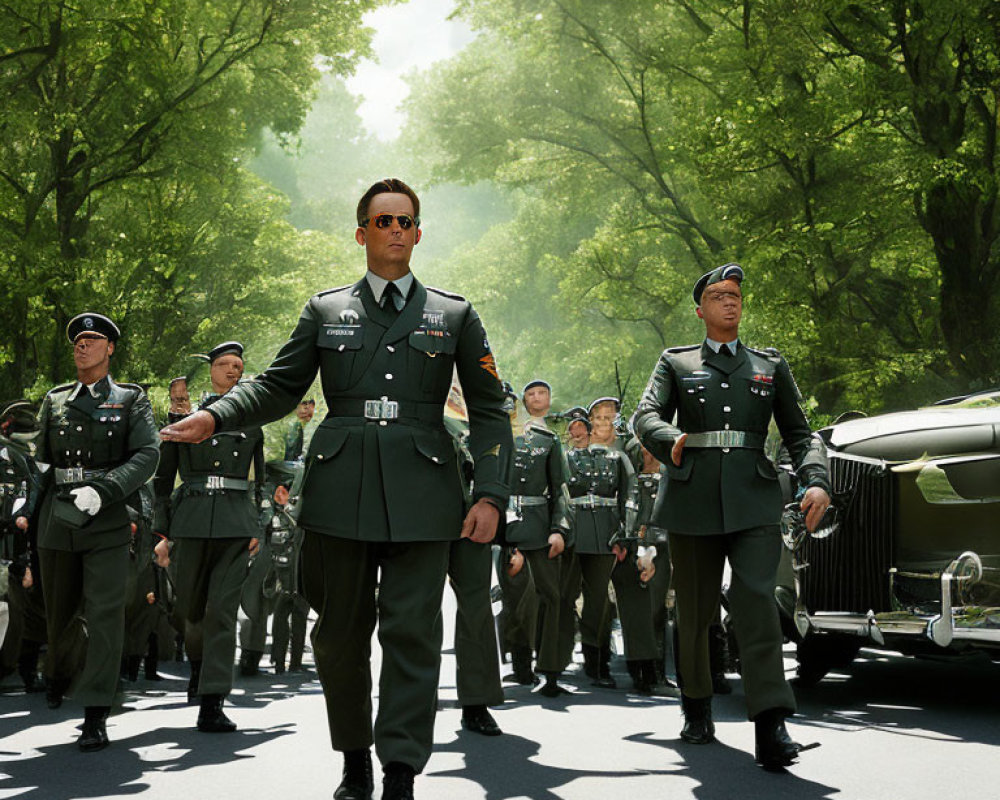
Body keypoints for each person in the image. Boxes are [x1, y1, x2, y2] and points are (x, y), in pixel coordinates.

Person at [158, 178, 512, 800]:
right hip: (339, 490)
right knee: (340, 634)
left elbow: (487, 411)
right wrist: (215, 415)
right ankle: (355, 760)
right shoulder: (326, 310)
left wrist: (490, 494)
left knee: (414, 634)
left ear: (418, 233)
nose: (395, 231)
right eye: (383, 222)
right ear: (362, 233)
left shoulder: (453, 313)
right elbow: (276, 385)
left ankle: (401, 768)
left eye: (406, 222)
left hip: (426, 494)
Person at [631, 263, 831, 771]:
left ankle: (771, 725)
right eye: (719, 295)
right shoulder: (675, 364)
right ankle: (696, 706)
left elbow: (801, 432)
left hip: (754, 499)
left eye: (736, 295)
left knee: (757, 599)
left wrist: (817, 480)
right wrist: (666, 438)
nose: (730, 302)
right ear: (701, 310)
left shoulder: (768, 365)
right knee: (695, 612)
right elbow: (645, 414)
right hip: (692, 499)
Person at [31, 312, 160, 750]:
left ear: (109, 349)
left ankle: (95, 712)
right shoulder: (54, 400)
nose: (81, 346)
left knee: (105, 613)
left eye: (92, 339)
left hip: (105, 517)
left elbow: (147, 455)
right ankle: (60, 672)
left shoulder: (128, 399)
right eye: (78, 340)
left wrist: (105, 491)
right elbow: (42, 464)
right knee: (59, 611)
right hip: (58, 516)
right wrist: (30, 513)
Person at [152, 341, 265, 732]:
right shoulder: (187, 415)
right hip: (192, 520)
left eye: (238, 365)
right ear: (211, 371)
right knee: (190, 610)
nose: (233, 371)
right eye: (224, 365)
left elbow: (260, 480)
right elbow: (164, 480)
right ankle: (199, 670)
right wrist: (162, 532)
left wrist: (257, 525)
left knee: (222, 611)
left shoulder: (251, 420)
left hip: (235, 522)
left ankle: (213, 701)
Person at [500, 380, 571, 698]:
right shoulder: (494, 441)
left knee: (550, 598)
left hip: (542, 529)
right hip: (508, 530)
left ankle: (551, 671)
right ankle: (521, 668)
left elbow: (559, 490)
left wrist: (559, 528)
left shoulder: (547, 440)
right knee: (517, 598)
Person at [562, 406, 634, 688]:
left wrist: (624, 533)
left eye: (583, 430)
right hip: (572, 532)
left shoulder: (616, 458)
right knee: (563, 597)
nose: (578, 435)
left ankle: (597, 661)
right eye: (573, 432)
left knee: (599, 602)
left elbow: (630, 495)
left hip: (605, 535)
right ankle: (557, 661)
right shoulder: (564, 459)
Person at [0, 400, 45, 693]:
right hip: (8, 544)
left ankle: (26, 669)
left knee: (27, 609)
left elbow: (34, 491)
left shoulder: (25, 459)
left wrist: (24, 516)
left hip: (24, 543)